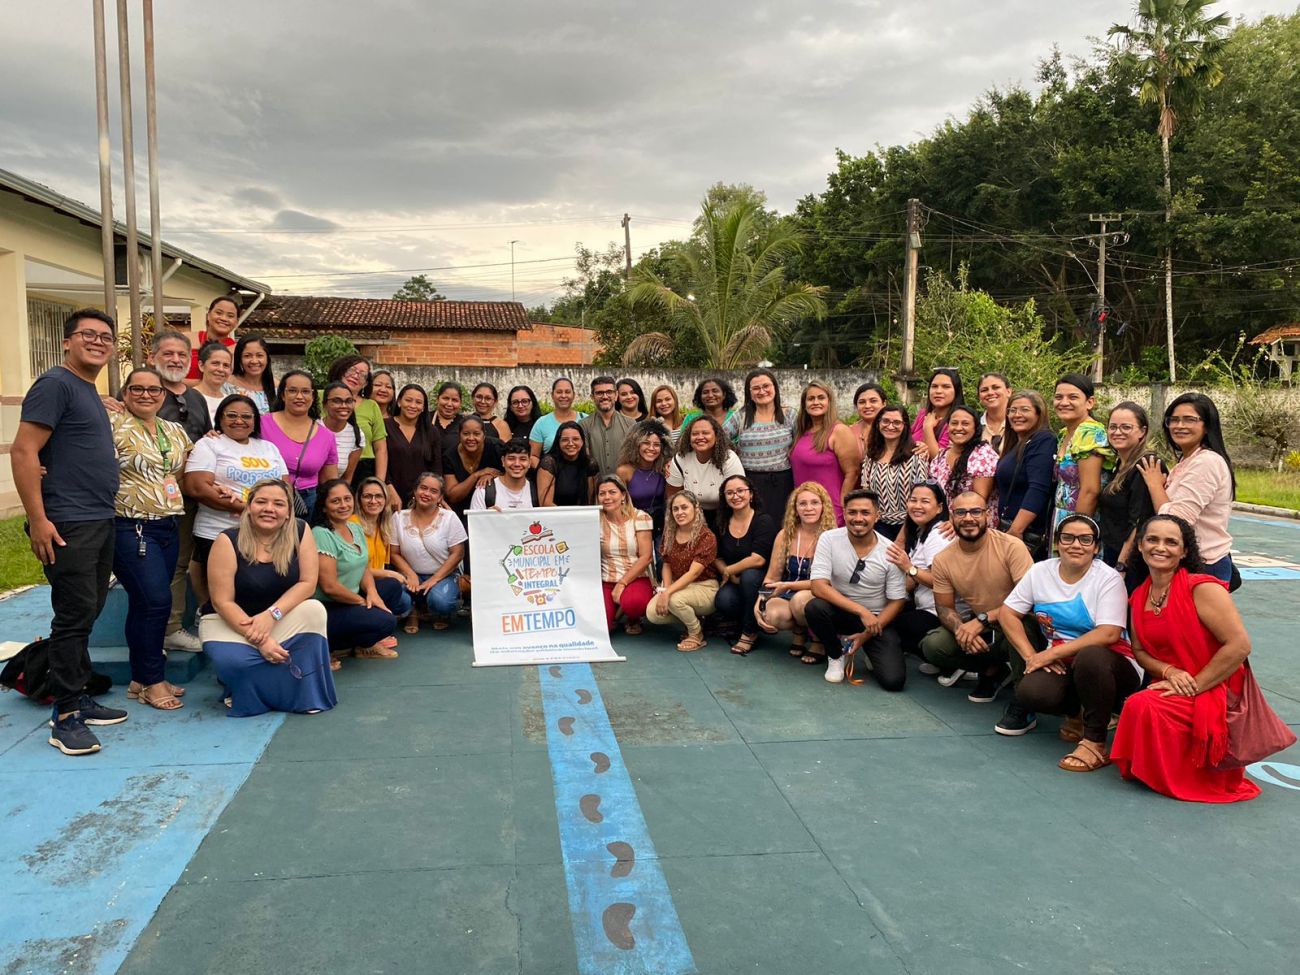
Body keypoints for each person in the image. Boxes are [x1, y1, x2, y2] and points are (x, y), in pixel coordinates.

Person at [13, 309, 127, 754]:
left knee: (89, 609)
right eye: (87, 335)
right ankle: (64, 716)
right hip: (67, 520)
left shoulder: (85, 389)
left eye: (106, 337)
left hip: (97, 517)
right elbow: (24, 451)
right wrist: (39, 519)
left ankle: (78, 695)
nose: (98, 342)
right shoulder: (55, 384)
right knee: (73, 615)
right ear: (66, 341)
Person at [1110, 514, 1261, 802]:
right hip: (1174, 680)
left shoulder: (1203, 588)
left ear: (1184, 551)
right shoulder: (1139, 596)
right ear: (1140, 546)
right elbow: (1139, 651)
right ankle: (1159, 774)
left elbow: (1239, 646)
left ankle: (1184, 779)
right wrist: (1169, 672)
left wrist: (1195, 684)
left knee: (1143, 704)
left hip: (1216, 685)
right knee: (1139, 704)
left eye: (1171, 542)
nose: (1160, 547)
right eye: (1152, 540)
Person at [996, 514, 1140, 749]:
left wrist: (1050, 654)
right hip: (1064, 660)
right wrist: (1031, 657)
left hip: (1111, 662)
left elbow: (1109, 633)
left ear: (1096, 547)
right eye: (1068, 538)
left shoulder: (1108, 578)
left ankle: (1094, 740)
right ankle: (1075, 713)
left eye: (1085, 539)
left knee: (1090, 657)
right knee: (1032, 692)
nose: (1076, 545)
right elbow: (1007, 613)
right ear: (1057, 543)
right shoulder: (1040, 571)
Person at [201, 479, 336, 716]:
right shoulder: (227, 540)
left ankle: (294, 693)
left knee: (314, 610)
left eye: (278, 504)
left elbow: (307, 583)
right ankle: (252, 685)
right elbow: (222, 602)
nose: (269, 509)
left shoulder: (301, 531)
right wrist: (261, 641)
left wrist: (271, 615)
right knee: (236, 663)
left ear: (288, 512)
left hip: (278, 620)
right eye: (261, 502)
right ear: (249, 507)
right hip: (231, 623)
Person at [110, 367, 193, 710]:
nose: (146, 395)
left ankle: (141, 677)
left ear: (164, 395)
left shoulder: (173, 430)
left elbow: (182, 470)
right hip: (130, 525)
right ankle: (152, 681)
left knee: (148, 603)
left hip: (167, 525)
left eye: (154, 390)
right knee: (155, 600)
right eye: (137, 389)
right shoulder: (111, 425)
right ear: (125, 393)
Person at [922, 491, 1034, 702]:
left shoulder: (1011, 546)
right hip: (985, 629)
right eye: (961, 512)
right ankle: (992, 670)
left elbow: (1029, 601)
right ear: (952, 517)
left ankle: (1023, 702)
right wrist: (961, 630)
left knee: (1022, 629)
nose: (968, 518)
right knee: (934, 645)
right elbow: (944, 607)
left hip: (1018, 621)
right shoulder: (943, 559)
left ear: (987, 515)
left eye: (975, 512)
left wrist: (982, 620)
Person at [183, 394, 288, 605]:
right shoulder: (209, 444)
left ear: (255, 421)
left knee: (256, 592)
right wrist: (248, 509)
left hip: (265, 534)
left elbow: (286, 488)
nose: (239, 421)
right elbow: (197, 487)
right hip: (219, 532)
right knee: (223, 595)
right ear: (220, 419)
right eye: (231, 415)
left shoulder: (269, 448)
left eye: (246, 416)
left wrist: (263, 513)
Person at [147, 329, 213, 654]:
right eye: (168, 354)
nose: (175, 360)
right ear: (152, 358)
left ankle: (171, 628)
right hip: (146, 497)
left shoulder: (196, 397)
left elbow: (206, 438)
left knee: (178, 561)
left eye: (182, 355)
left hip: (186, 497)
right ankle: (148, 633)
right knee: (146, 564)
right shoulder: (143, 390)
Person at [805, 490, 907, 687]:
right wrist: (861, 611)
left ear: (877, 516)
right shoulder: (829, 538)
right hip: (842, 611)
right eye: (852, 512)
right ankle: (835, 655)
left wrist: (866, 634)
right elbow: (817, 586)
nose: (858, 518)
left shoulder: (891, 551)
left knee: (893, 681)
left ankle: (868, 648)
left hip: (876, 620)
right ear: (844, 514)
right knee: (815, 607)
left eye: (865, 512)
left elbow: (897, 601)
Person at [1139, 393, 1237, 584]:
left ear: (1207, 426)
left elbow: (1176, 521)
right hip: (1185, 561)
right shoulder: (1188, 460)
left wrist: (1154, 485)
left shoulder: (1207, 462)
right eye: (1174, 420)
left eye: (1190, 420)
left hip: (1204, 564)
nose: (1180, 425)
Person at [310, 478, 401, 664]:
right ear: (324, 507)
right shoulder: (321, 533)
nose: (343, 505)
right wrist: (362, 602)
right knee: (387, 622)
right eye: (335, 501)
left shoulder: (355, 527)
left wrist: (372, 593)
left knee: (392, 586)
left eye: (347, 499)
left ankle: (363, 647)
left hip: (350, 597)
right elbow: (329, 587)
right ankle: (325, 647)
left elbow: (363, 567)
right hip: (328, 606)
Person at [754, 482, 836, 662]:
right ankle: (799, 631)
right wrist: (759, 601)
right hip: (788, 592)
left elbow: (828, 582)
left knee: (800, 601)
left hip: (820, 594)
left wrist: (787, 585)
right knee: (771, 613)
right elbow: (772, 576)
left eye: (814, 503)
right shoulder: (785, 535)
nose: (808, 508)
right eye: (802, 504)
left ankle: (819, 640)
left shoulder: (833, 537)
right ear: (795, 509)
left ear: (824, 507)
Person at [884, 481, 952, 663]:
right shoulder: (922, 531)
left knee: (887, 626)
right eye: (913, 500)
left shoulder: (938, 535)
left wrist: (909, 568)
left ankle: (949, 661)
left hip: (939, 613)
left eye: (925, 501)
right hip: (925, 605)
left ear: (939, 508)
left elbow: (940, 582)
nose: (917, 506)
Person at [390, 473, 468, 630]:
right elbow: (393, 553)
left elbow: (458, 553)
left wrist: (435, 579)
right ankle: (413, 610)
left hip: (443, 575)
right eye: (423, 488)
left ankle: (438, 612)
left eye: (433, 491)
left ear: (440, 497)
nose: (426, 493)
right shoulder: (398, 517)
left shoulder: (449, 518)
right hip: (409, 574)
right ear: (415, 490)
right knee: (397, 597)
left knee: (441, 602)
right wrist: (410, 574)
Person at [645, 491, 719, 652]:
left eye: (684, 507)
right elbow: (666, 563)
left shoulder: (706, 536)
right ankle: (694, 619)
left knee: (673, 600)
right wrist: (665, 589)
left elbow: (693, 573)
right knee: (652, 613)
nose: (680, 512)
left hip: (704, 586)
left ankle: (696, 633)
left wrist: (668, 593)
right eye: (675, 509)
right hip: (679, 586)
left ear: (696, 508)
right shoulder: (670, 533)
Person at [711, 475, 777, 654]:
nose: (735, 496)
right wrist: (729, 574)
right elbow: (716, 556)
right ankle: (747, 621)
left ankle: (749, 632)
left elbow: (758, 559)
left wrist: (729, 570)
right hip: (733, 579)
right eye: (730, 493)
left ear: (751, 494)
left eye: (740, 491)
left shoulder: (763, 521)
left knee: (749, 576)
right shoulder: (721, 522)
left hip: (760, 579)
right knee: (724, 601)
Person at [261, 370, 339, 515]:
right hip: (265, 498)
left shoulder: (326, 436)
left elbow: (329, 482)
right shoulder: (261, 424)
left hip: (306, 504)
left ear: (313, 396)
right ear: (282, 395)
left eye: (305, 391)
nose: (299, 396)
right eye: (292, 391)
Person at [1099, 402, 1164, 574]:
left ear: (1142, 431)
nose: (1117, 432)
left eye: (1126, 427)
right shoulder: (1119, 463)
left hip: (1131, 562)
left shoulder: (1145, 465)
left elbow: (1139, 521)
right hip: (1111, 552)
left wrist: (1122, 565)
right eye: (1113, 427)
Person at [723, 369, 794, 519]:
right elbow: (718, 438)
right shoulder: (740, 417)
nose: (762, 391)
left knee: (783, 523)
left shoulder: (789, 415)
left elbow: (803, 441)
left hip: (784, 483)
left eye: (766, 386)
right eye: (756, 388)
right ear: (749, 393)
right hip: (750, 483)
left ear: (775, 387)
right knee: (755, 524)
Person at [994, 390, 1055, 560]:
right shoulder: (1016, 444)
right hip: (1007, 528)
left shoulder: (1043, 440)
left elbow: (1039, 487)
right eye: (1012, 410)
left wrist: (1016, 529)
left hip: (1024, 533)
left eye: (1025, 410)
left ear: (1039, 413)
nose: (1017, 415)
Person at [790, 380, 858, 526]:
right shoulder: (802, 432)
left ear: (829, 402)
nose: (816, 402)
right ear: (804, 404)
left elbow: (852, 473)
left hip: (831, 509)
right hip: (805, 509)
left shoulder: (839, 431)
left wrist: (842, 507)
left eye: (821, 398)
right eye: (811, 399)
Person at [1052, 373, 1115, 528]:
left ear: (1090, 402)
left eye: (1072, 397)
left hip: (1082, 521)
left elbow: (1090, 491)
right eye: (1059, 397)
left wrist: (1076, 529)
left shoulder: (1090, 433)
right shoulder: (1064, 434)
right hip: (1061, 517)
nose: (1063, 402)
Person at [596, 475, 655, 634]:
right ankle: (614, 614)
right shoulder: (595, 520)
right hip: (606, 578)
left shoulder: (640, 517)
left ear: (623, 495)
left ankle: (631, 616)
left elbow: (646, 557)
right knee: (600, 626)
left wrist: (622, 583)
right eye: (602, 493)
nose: (607, 497)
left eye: (612, 492)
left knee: (634, 603)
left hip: (636, 577)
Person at [860, 405, 928, 541]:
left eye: (896, 422)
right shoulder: (871, 455)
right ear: (878, 423)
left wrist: (903, 536)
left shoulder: (916, 455)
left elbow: (921, 494)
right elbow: (866, 490)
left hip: (910, 524)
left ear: (905, 426)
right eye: (885, 421)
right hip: (878, 524)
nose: (890, 426)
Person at [350, 476, 413, 620]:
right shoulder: (352, 525)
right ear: (359, 500)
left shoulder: (383, 525)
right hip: (357, 585)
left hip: (376, 581)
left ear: (385, 499)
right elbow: (355, 570)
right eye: (367, 496)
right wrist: (390, 574)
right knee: (395, 587)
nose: (373, 501)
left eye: (378, 496)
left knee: (406, 600)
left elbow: (383, 565)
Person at [665, 415, 745, 528]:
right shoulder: (680, 459)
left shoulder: (729, 458)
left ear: (717, 436)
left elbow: (739, 496)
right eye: (695, 434)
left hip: (726, 512)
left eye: (706, 433)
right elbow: (673, 497)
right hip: (691, 515)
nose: (700, 437)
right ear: (688, 437)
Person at [326, 356, 388, 485]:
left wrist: (380, 483)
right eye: (352, 370)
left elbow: (380, 448)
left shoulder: (371, 405)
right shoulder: (320, 397)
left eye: (362, 375)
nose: (355, 376)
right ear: (341, 370)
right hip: (324, 464)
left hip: (363, 469)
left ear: (365, 383)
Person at [929, 405, 998, 509]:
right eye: (954, 423)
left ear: (975, 428)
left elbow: (978, 503)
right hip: (944, 517)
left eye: (965, 423)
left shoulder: (983, 455)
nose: (958, 428)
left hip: (970, 517)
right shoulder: (941, 457)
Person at [385, 383, 439, 508]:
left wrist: (433, 495)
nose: (413, 406)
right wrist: (389, 489)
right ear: (399, 402)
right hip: (390, 496)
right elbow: (379, 463)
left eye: (418, 402)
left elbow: (436, 469)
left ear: (423, 407)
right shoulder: (384, 426)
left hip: (423, 499)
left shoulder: (431, 431)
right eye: (408, 400)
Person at [616, 422, 670, 544]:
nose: (651, 448)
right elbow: (620, 505)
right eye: (646, 443)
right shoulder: (624, 471)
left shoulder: (664, 469)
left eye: (656, 445)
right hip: (634, 525)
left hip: (660, 526)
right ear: (636, 445)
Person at [443, 415, 503, 516]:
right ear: (459, 434)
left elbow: (511, 473)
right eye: (466, 434)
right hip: (461, 511)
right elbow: (453, 496)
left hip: (494, 509)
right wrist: (476, 475)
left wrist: (493, 477)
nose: (471, 438)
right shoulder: (449, 456)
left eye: (476, 434)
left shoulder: (497, 448)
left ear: (484, 435)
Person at [581, 376, 637, 477]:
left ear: (616, 395)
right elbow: (585, 459)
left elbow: (635, 458)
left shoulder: (630, 424)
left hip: (624, 484)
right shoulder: (584, 425)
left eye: (609, 392)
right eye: (599, 393)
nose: (605, 396)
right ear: (592, 397)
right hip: (595, 484)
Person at [538, 420, 599, 506]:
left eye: (575, 439)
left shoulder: (590, 464)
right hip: (555, 512)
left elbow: (591, 501)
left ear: (582, 441)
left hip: (583, 512)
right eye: (565, 440)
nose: (570, 443)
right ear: (558, 442)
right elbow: (545, 503)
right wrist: (568, 514)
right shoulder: (549, 463)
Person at [529, 377, 585, 464]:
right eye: (559, 392)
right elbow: (533, 456)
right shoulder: (542, 423)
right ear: (552, 395)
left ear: (573, 395)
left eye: (567, 392)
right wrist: (545, 470)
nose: (563, 396)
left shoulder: (585, 420)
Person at [470, 439, 537, 510]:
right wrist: (488, 515)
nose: (517, 464)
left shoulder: (536, 491)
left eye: (523, 459)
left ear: (529, 462)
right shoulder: (484, 491)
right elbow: (474, 517)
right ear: (503, 461)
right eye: (511, 459)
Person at [912, 367, 963, 459]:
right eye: (934, 386)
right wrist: (917, 445)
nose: (938, 391)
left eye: (946, 387)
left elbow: (939, 459)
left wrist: (928, 428)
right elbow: (904, 442)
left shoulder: (958, 422)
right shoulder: (923, 414)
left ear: (956, 391)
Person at [185, 294, 240, 380]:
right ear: (208, 315)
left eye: (230, 316)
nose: (224, 318)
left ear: (236, 322)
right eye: (219, 313)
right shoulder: (185, 340)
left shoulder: (238, 351)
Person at [320, 381, 365, 485]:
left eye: (349, 401)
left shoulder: (357, 435)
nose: (344, 406)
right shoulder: (313, 428)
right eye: (337, 401)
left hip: (334, 490)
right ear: (325, 404)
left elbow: (347, 478)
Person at [222, 334, 276, 414]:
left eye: (259, 355)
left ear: (267, 358)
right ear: (239, 359)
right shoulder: (227, 385)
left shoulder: (277, 387)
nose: (254, 361)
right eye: (247, 356)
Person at [848, 382, 887, 470]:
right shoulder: (848, 432)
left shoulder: (894, 430)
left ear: (884, 403)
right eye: (862, 402)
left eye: (873, 401)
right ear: (856, 406)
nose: (867, 406)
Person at [194, 341, 234, 419]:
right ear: (201, 365)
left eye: (226, 365)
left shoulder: (230, 401)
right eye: (215, 363)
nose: (221, 369)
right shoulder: (188, 398)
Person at [976, 372, 1011, 452]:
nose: (990, 393)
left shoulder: (1019, 422)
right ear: (979, 397)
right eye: (984, 390)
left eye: (996, 387)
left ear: (1008, 392)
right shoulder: (974, 425)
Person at [430, 381, 466, 457]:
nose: (449, 404)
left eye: (454, 400)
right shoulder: (424, 420)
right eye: (445, 398)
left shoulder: (465, 424)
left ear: (460, 403)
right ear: (437, 399)